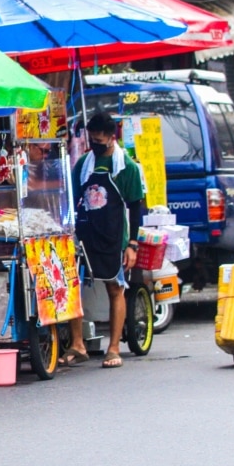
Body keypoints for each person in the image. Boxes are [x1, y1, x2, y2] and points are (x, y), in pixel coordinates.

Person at [62, 113, 146, 369]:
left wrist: (132, 244)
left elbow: (136, 206)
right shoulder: (83, 164)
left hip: (114, 234)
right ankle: (78, 343)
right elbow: (71, 198)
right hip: (86, 233)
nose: (95, 145)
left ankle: (113, 347)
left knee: (115, 289)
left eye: (100, 141)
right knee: (73, 286)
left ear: (112, 138)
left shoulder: (127, 167)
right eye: (92, 140)